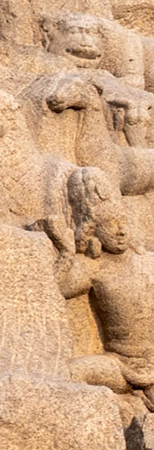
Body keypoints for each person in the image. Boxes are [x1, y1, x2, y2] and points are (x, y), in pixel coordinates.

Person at [56, 167, 154, 408]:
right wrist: (66, 253)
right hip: (120, 364)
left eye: (123, 223)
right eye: (110, 224)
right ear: (93, 229)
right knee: (70, 372)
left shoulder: (148, 262)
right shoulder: (93, 268)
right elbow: (52, 292)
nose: (120, 231)